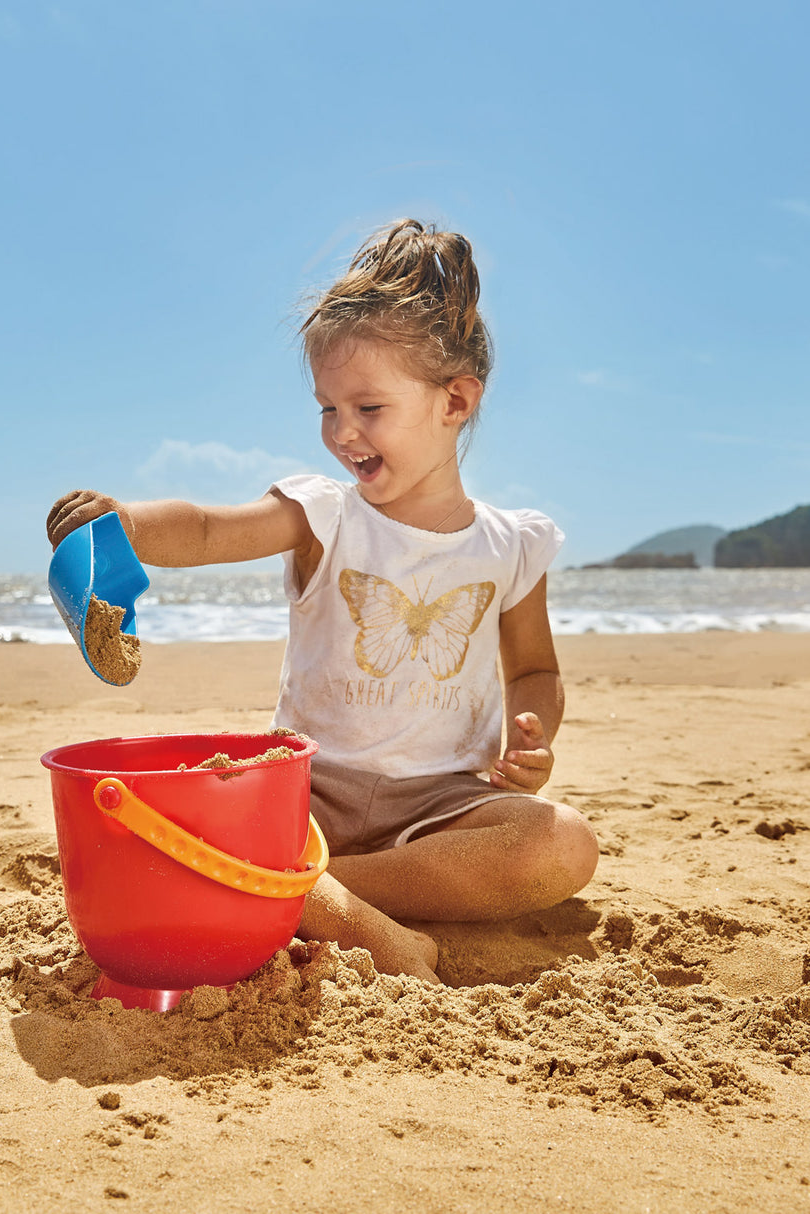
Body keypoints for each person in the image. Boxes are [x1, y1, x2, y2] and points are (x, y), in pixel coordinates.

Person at [46, 218, 598, 983]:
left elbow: (535, 669)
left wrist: (536, 735)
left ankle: (313, 889)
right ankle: (350, 909)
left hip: (442, 808)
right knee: (198, 813)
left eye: (368, 408)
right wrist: (124, 526)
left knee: (562, 846)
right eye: (327, 408)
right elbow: (208, 530)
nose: (342, 432)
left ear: (456, 401)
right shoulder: (327, 515)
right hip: (310, 791)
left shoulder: (512, 545)